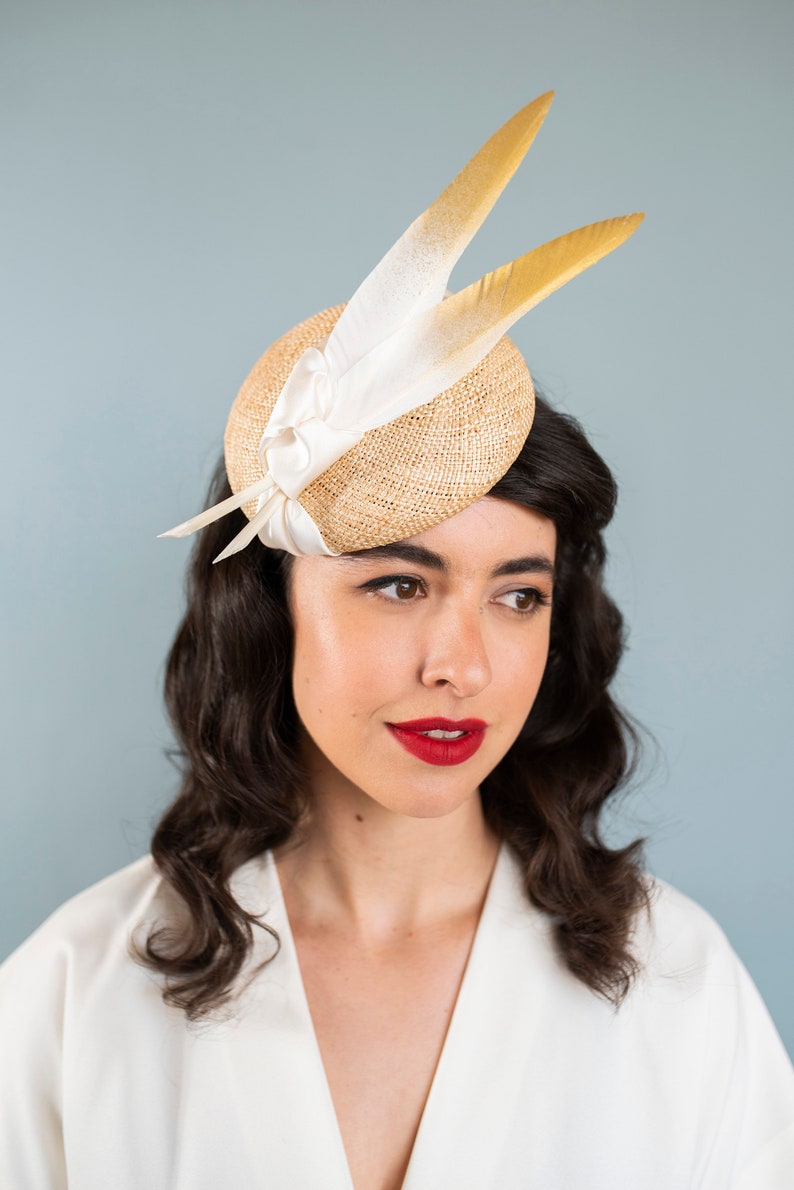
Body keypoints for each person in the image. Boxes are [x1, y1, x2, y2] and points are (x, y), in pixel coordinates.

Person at [1, 95, 792, 1190]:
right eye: (394, 583)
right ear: (268, 604)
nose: (459, 665)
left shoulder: (680, 986)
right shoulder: (68, 997)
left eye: (517, 596)